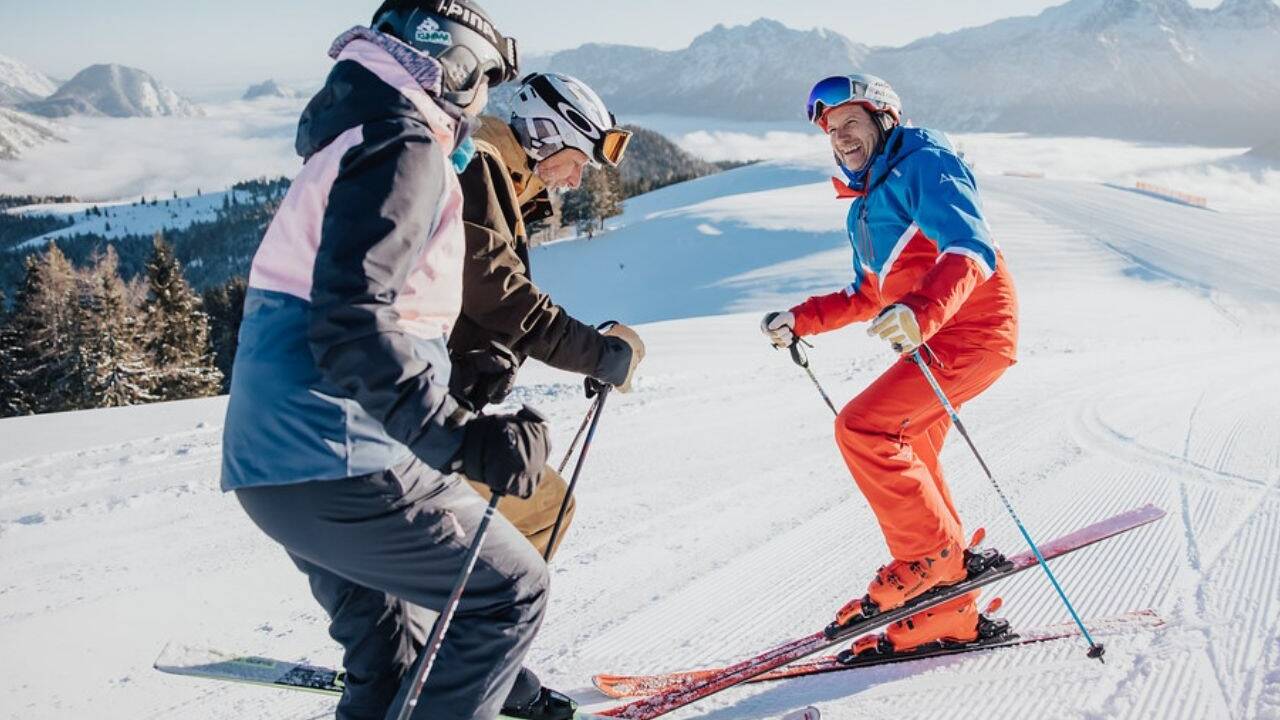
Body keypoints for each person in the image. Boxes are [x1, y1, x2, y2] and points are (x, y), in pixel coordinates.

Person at [219, 2, 557, 718]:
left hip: (273, 470)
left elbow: (360, 312)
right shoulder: (405, 142)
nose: (483, 100)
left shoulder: (358, 135)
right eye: (485, 80)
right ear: (458, 66)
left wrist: (450, 386)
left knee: (387, 661)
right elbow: (349, 321)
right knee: (507, 591)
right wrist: (457, 440)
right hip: (342, 459)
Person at [760, 73, 1019, 651]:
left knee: (863, 427)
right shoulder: (865, 206)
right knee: (913, 446)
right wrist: (800, 319)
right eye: (831, 130)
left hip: (973, 330)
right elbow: (867, 296)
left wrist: (922, 313)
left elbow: (969, 246)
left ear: (885, 118)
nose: (841, 137)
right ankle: (949, 605)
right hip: (939, 339)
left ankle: (929, 558)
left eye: (851, 122)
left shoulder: (927, 162)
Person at [445, 72, 644, 718]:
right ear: (544, 134)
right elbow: (498, 294)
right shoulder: (479, 167)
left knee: (540, 507)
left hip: (444, 405)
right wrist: (596, 352)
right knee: (534, 509)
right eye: (577, 161)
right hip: (416, 409)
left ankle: (468, 642)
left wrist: (591, 350)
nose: (578, 179)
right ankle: (469, 653)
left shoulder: (502, 179)